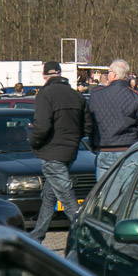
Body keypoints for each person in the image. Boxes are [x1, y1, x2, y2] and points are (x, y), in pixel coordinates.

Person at [29, 61, 93, 241]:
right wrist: (74, 139)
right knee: (49, 195)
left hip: (51, 151)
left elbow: (42, 126)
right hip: (70, 151)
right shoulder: (76, 95)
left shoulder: (44, 95)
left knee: (67, 199)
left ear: (44, 75)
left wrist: (34, 143)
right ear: (60, 73)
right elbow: (88, 126)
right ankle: (37, 235)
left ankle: (89, 238)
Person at [89, 58, 138, 181]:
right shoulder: (136, 97)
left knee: (104, 190)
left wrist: (93, 144)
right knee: (126, 191)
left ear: (113, 75)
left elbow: (90, 124)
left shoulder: (96, 95)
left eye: (108, 73)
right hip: (128, 150)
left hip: (105, 148)